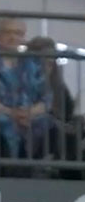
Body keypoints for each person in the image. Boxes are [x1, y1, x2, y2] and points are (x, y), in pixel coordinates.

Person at [0, 17, 53, 171]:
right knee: (2, 123)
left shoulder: (33, 62)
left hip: (30, 115)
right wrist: (12, 113)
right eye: (7, 32)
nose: (13, 37)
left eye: (18, 33)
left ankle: (40, 171)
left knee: (50, 124)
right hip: (0, 115)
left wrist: (30, 112)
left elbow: (46, 98)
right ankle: (9, 172)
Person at [27, 36, 83, 178]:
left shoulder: (59, 87)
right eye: (42, 62)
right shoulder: (24, 82)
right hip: (38, 129)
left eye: (50, 63)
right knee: (55, 128)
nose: (46, 67)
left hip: (62, 128)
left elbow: (69, 113)